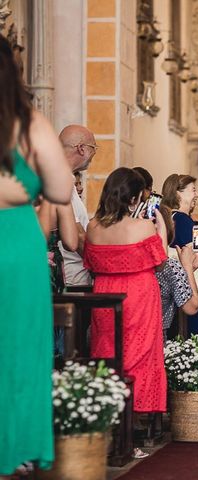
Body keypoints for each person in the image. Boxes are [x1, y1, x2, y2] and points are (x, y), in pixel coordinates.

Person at [0, 34, 73, 477]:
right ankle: (15, 451)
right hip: (15, 245)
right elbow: (62, 188)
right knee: (19, 348)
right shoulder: (28, 124)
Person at [84, 168, 168, 418]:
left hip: (104, 293)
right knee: (140, 353)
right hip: (138, 294)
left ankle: (108, 411)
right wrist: (161, 227)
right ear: (134, 199)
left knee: (107, 349)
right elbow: (161, 261)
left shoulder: (93, 227)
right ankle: (137, 414)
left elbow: (89, 263)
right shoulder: (142, 227)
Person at [161, 174, 198, 338]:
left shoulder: (170, 219)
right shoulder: (184, 221)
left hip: (180, 288)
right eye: (193, 190)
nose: (197, 195)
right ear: (178, 193)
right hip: (193, 287)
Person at [59, 124, 98, 287]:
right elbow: (77, 236)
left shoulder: (62, 177)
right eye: (93, 148)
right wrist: (101, 267)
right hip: (73, 280)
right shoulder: (61, 180)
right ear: (81, 148)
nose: (94, 154)